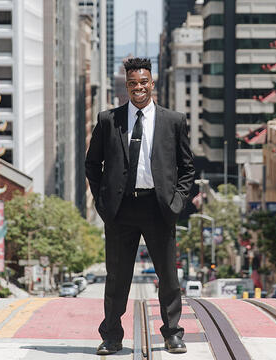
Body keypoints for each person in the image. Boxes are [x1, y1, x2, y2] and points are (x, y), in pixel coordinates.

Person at [85, 57, 195, 355]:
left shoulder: (173, 120)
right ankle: (111, 336)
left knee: (169, 278)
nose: (138, 88)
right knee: (116, 277)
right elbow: (92, 164)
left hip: (158, 209)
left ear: (152, 83)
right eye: (133, 83)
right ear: (127, 85)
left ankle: (172, 333)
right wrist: (103, 203)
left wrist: (176, 202)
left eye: (143, 82)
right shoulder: (109, 120)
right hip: (120, 211)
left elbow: (187, 168)